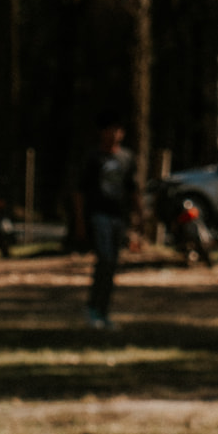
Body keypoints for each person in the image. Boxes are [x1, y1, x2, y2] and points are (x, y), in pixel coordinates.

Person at [77, 114, 138, 329]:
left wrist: (139, 216)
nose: (114, 134)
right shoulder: (93, 158)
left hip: (118, 217)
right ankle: (92, 308)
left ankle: (103, 311)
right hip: (99, 215)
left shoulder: (127, 158)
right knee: (104, 259)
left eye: (118, 129)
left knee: (112, 265)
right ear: (102, 132)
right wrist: (81, 221)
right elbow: (80, 191)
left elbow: (132, 189)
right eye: (110, 129)